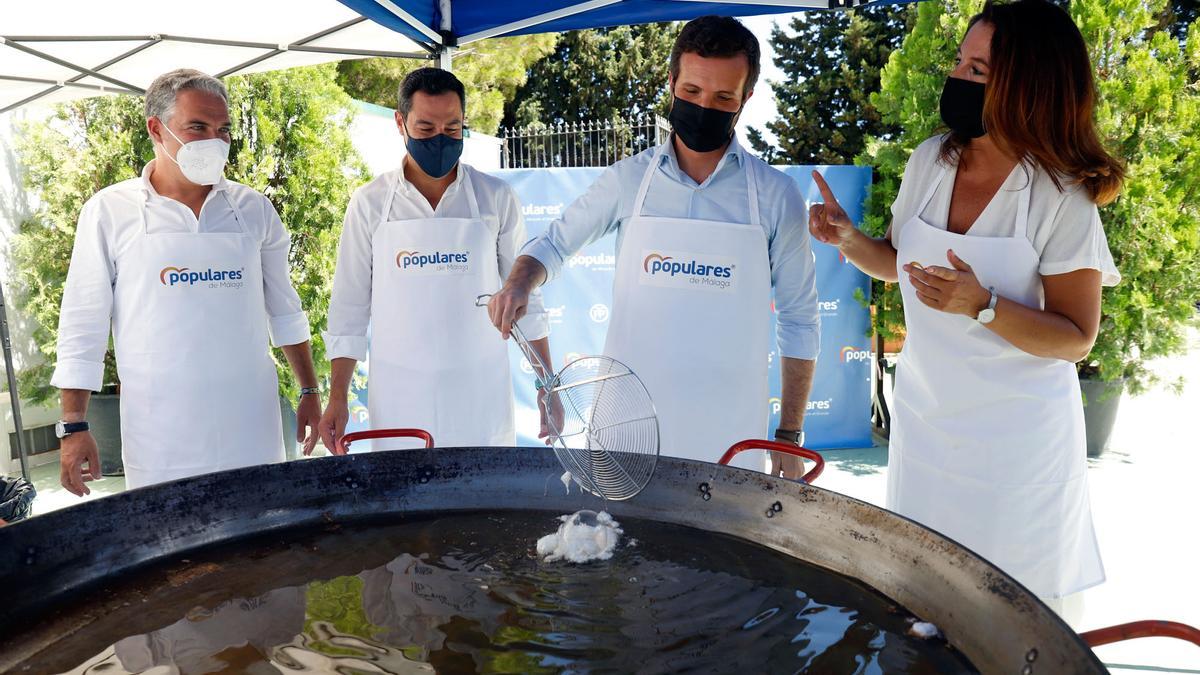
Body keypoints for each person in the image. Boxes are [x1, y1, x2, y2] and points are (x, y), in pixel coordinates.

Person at [809, 0, 1122, 619]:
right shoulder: (932, 160)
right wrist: (850, 241)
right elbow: (900, 264)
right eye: (961, 62)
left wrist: (984, 307)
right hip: (927, 432)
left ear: (1025, 84)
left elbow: (1076, 337)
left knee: (1014, 622)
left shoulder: (1063, 195)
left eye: (977, 70)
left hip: (1017, 453)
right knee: (925, 611)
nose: (958, 77)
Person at [488, 16, 820, 475]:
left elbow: (800, 318)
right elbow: (555, 244)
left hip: (730, 437)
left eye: (724, 97)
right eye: (692, 93)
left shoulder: (775, 195)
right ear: (671, 82)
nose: (705, 106)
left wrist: (788, 433)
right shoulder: (629, 179)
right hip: (624, 434)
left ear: (746, 98)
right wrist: (520, 281)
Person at [52, 69, 322, 493]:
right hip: (161, 436)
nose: (214, 141)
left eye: (223, 129)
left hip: (250, 427)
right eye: (197, 127)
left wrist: (309, 390)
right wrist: (73, 426)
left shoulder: (252, 210)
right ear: (156, 129)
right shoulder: (109, 212)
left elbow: (285, 309)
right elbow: (82, 326)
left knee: (262, 547)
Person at [320, 68, 553, 453]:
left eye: (452, 129)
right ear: (401, 122)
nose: (440, 140)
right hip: (399, 399)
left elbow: (529, 302)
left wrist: (547, 384)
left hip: (480, 397)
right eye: (426, 129)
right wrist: (338, 396)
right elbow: (349, 309)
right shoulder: (370, 203)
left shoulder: (496, 198)